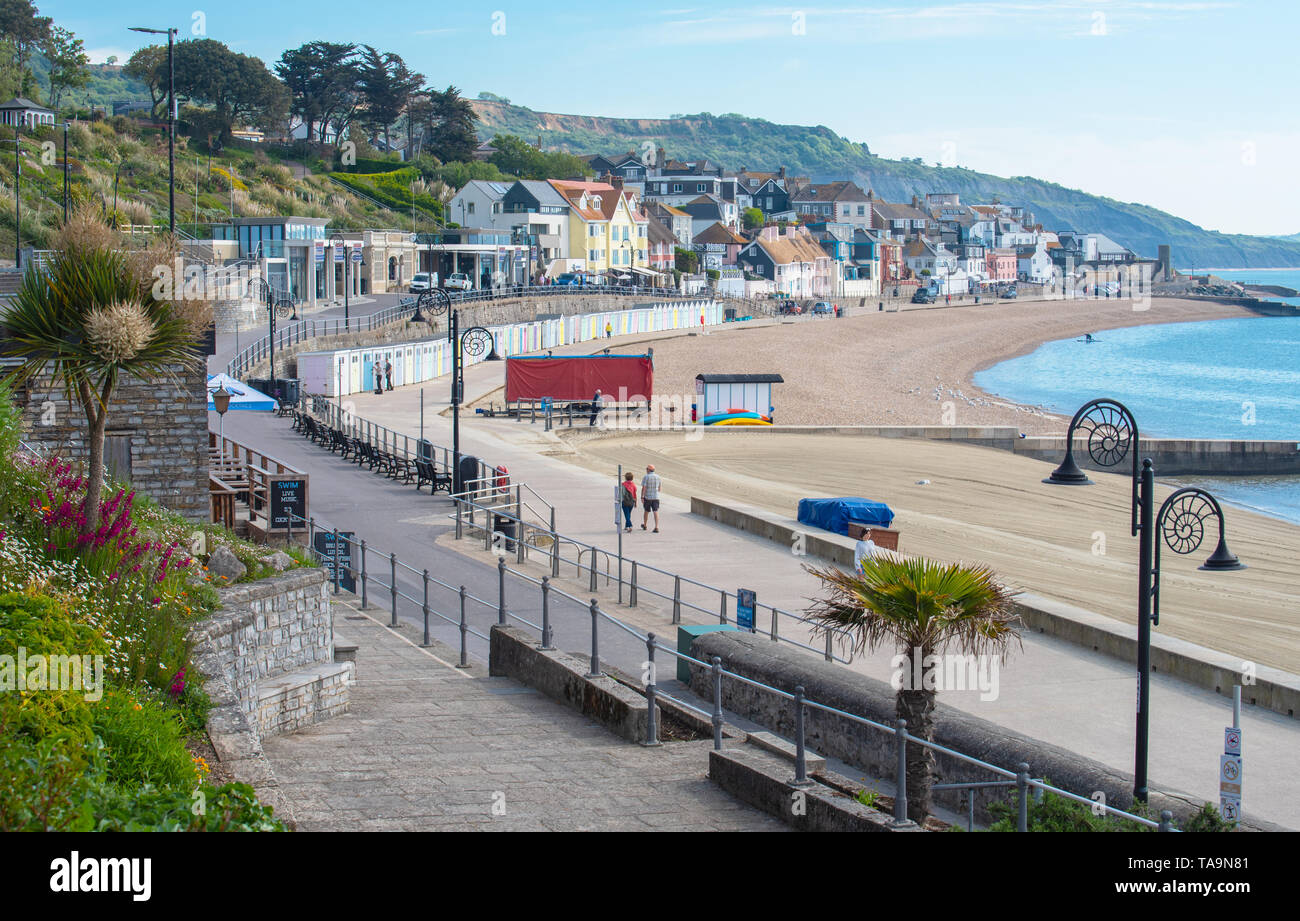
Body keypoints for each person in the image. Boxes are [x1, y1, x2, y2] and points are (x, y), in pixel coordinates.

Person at [640, 464, 661, 533]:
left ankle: (645, 525)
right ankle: (656, 527)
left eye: (646, 469)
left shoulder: (646, 477)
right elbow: (659, 488)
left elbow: (644, 488)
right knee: (655, 511)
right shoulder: (658, 477)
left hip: (648, 497)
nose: (646, 470)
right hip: (656, 497)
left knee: (646, 511)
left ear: (648, 470)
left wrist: (642, 496)